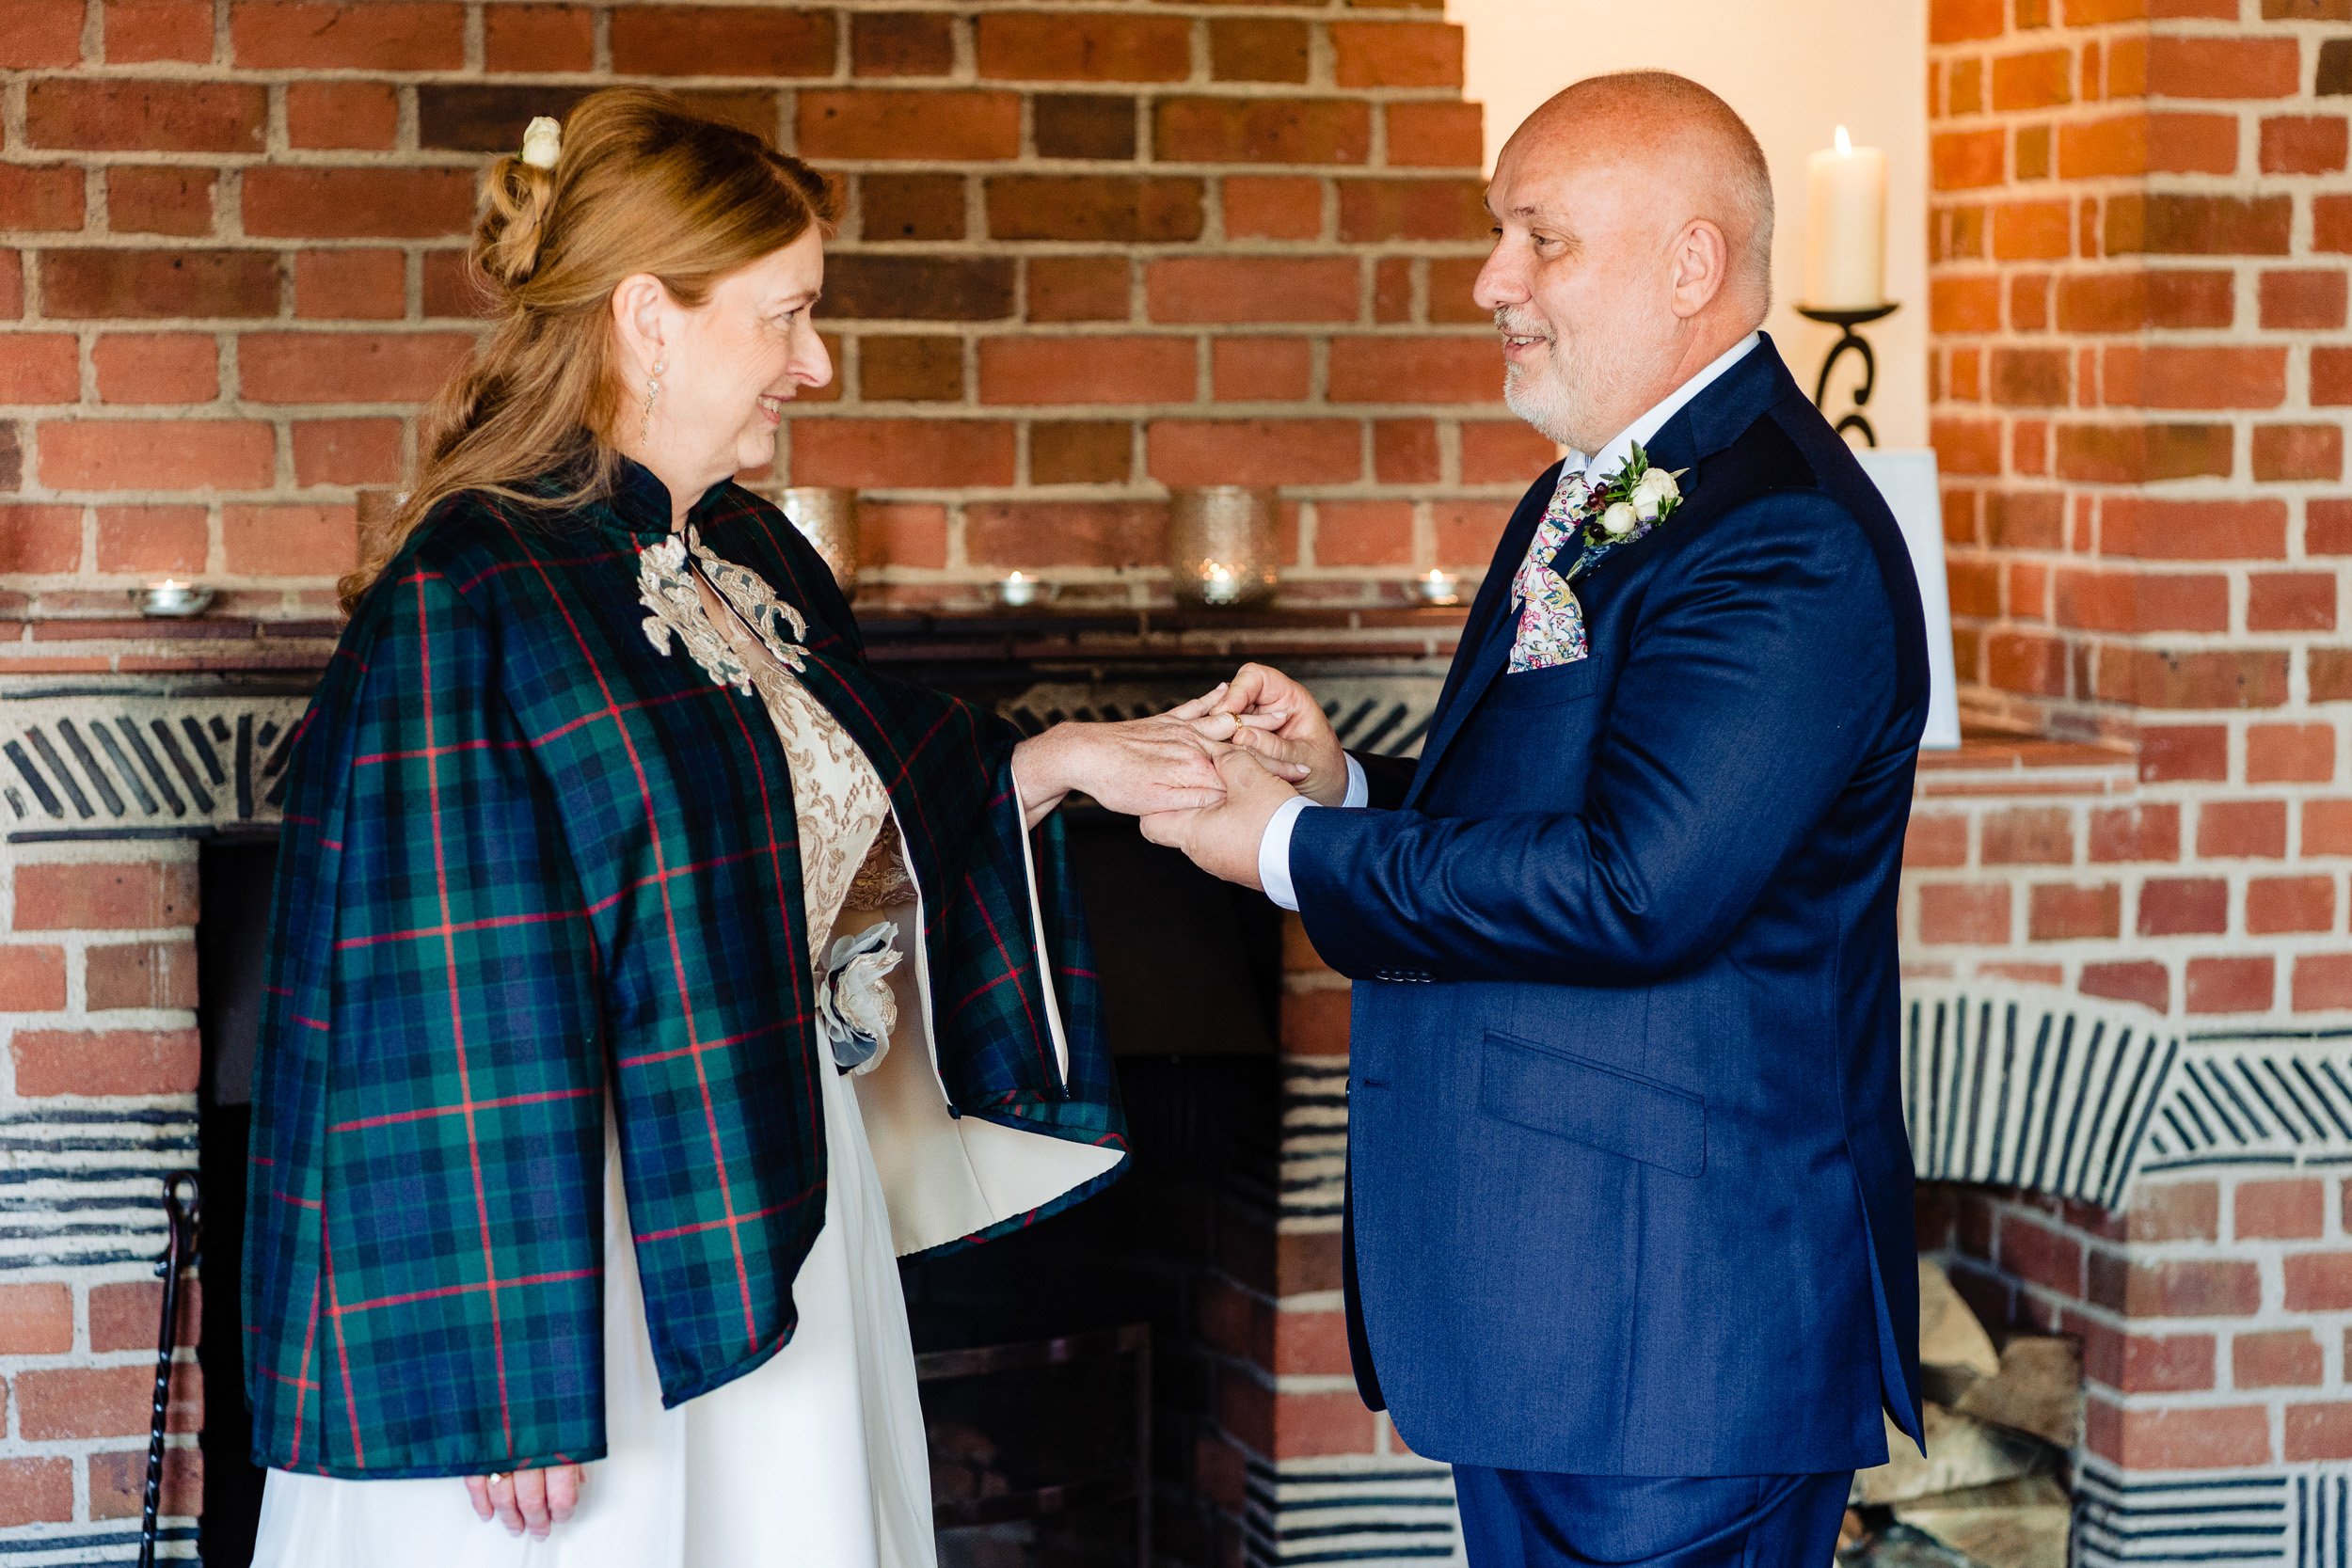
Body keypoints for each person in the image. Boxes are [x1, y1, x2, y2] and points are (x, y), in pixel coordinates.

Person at [242, 88, 1280, 1568]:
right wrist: (501, 1387)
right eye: (787, 315)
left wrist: (1061, 762)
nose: (818, 362)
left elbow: (846, 792)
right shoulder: (470, 594)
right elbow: (432, 1008)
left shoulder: (752, 552)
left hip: (776, 1177)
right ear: (648, 319)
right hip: (584, 1261)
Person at [1146, 71, 1931, 1568]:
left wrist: (1287, 852)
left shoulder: (1783, 535)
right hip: (1562, 1317)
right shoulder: (1596, 488)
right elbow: (1566, 808)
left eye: (1540, 238)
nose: (1492, 280)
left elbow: (1637, 889)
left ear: (1690, 265)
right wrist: (1346, 790)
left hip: (1674, 1346)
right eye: (1499, 233)